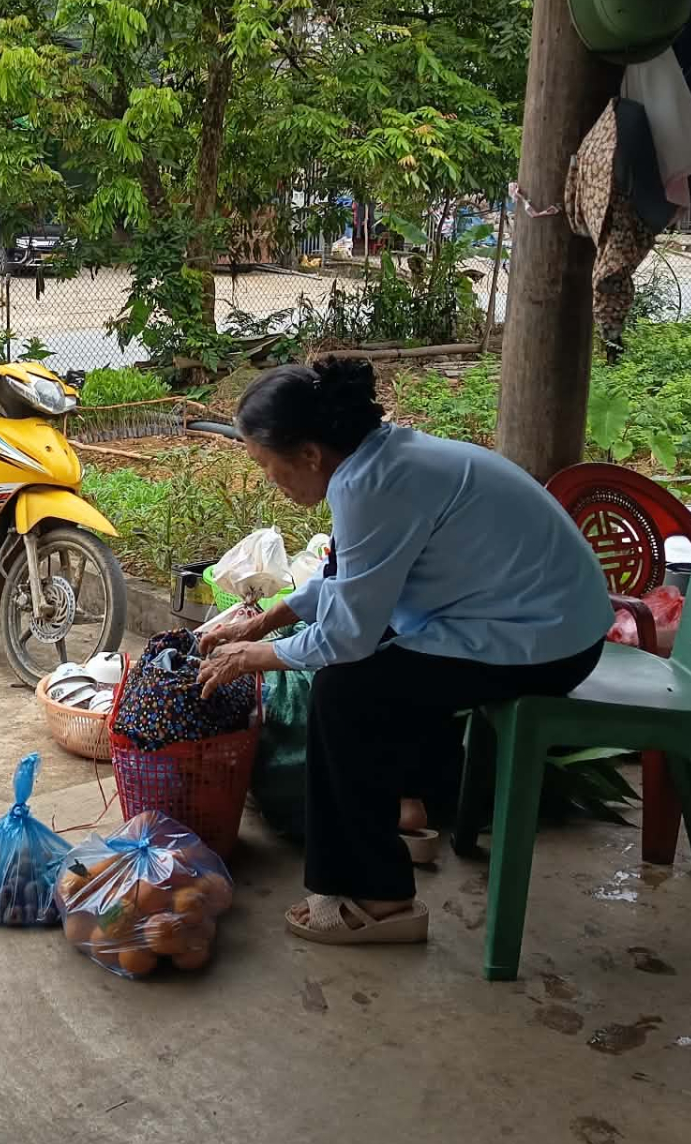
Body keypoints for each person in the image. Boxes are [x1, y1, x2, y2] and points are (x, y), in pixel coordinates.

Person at [195, 355, 611, 947]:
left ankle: (381, 898)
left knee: (347, 689)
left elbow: (346, 637)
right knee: (379, 663)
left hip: (547, 641)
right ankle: (406, 811)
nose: (271, 482)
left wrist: (252, 656)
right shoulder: (376, 461)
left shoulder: (372, 485)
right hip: (539, 619)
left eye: (268, 467)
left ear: (310, 454)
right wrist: (267, 622)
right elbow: (346, 579)